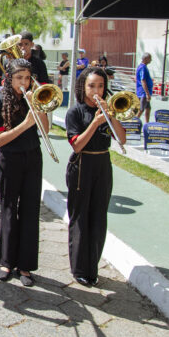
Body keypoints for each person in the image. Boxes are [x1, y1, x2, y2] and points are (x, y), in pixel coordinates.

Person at [65, 67, 126, 287]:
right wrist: (95, 123)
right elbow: (77, 145)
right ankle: (79, 268)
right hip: (82, 165)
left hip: (102, 164)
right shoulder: (75, 112)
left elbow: (122, 139)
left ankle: (93, 267)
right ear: (83, 87)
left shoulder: (108, 110)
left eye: (100, 86)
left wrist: (112, 117)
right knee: (81, 217)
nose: (96, 90)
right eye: (92, 86)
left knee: (99, 218)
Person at [0, 59, 48, 287]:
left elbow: (45, 129)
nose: (23, 83)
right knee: (9, 208)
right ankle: (6, 261)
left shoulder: (34, 99)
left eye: (27, 78)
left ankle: (25, 265)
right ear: (9, 80)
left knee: (30, 209)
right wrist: (25, 124)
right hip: (10, 159)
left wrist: (38, 108)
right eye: (19, 78)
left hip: (33, 157)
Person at [136, 52, 154, 123]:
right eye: (150, 58)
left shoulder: (143, 67)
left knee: (148, 108)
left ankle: (147, 123)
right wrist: (147, 93)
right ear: (146, 59)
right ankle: (134, 123)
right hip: (143, 92)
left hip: (145, 92)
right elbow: (143, 80)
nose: (151, 60)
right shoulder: (142, 68)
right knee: (141, 109)